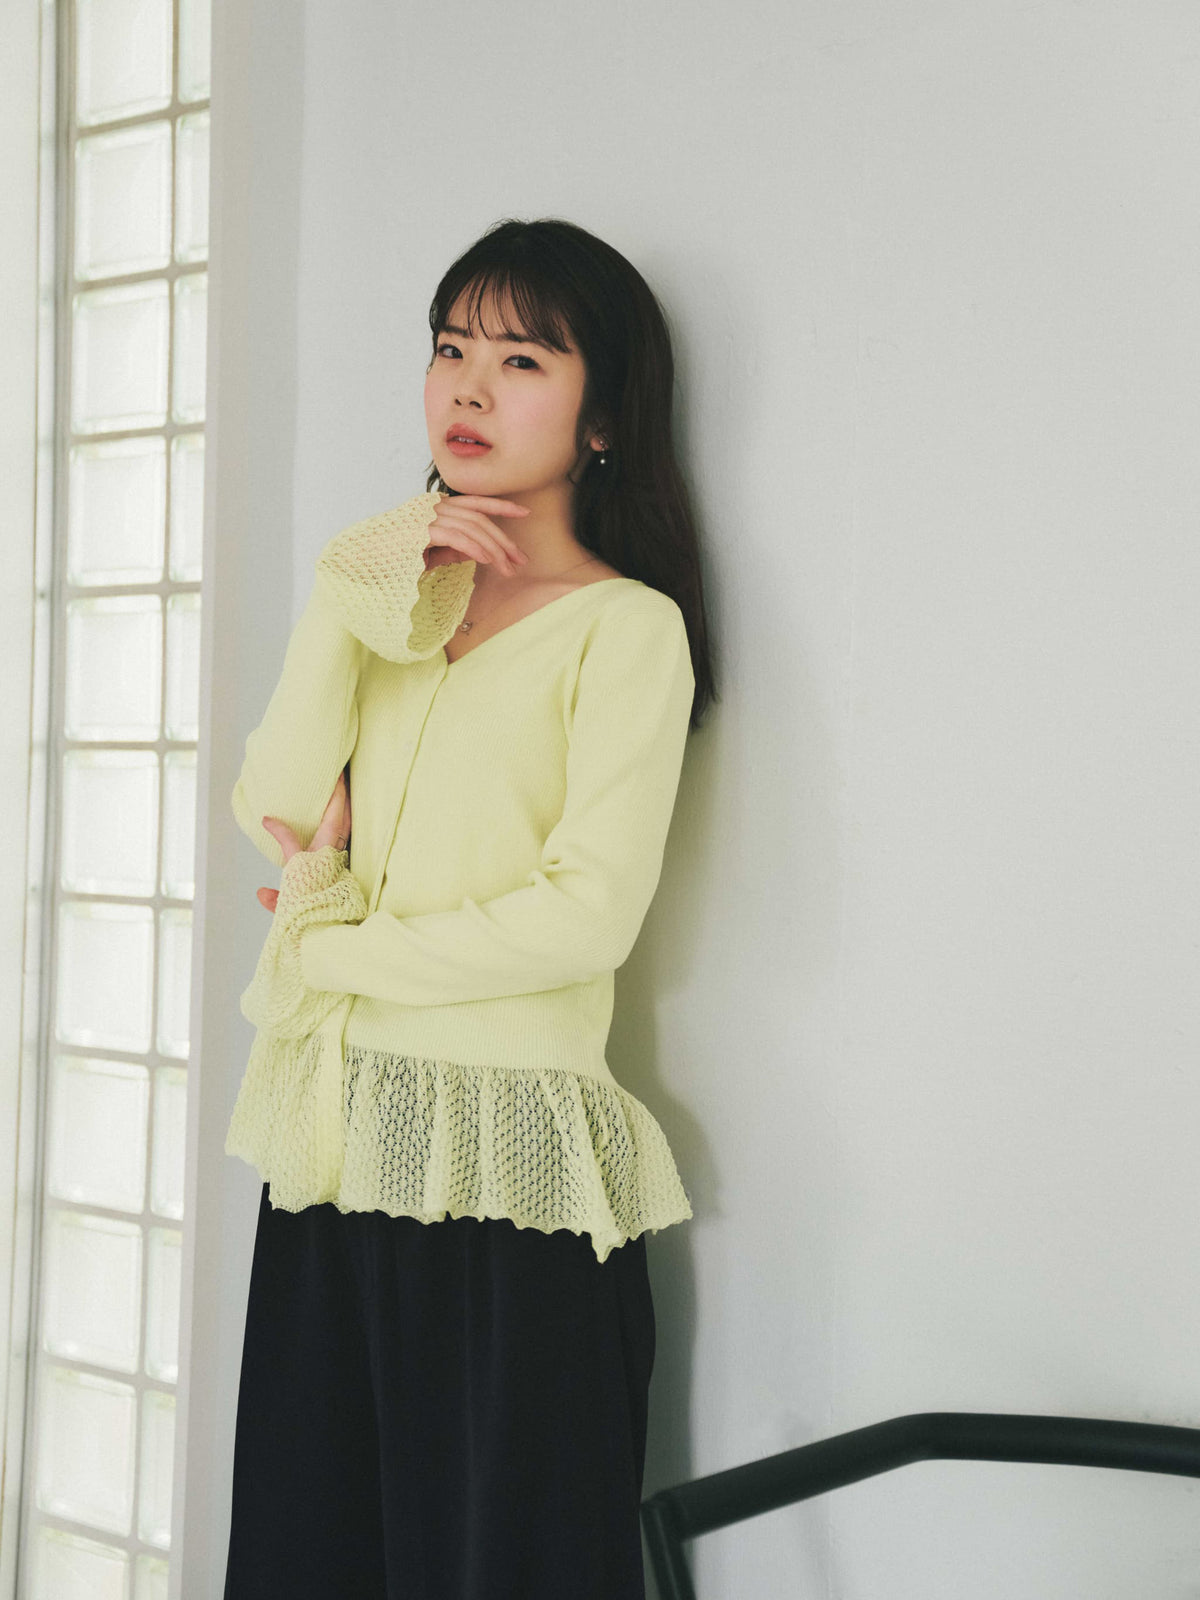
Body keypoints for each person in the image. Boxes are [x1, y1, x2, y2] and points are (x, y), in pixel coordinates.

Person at [222, 216, 717, 1600]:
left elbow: (583, 919)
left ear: (604, 419)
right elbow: (276, 803)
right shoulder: (394, 608)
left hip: (514, 1196)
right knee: (305, 1561)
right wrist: (345, 589)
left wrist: (332, 947)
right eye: (450, 349)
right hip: (334, 1153)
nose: (468, 388)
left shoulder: (628, 629)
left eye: (521, 359)